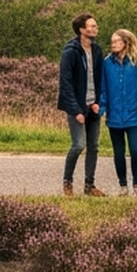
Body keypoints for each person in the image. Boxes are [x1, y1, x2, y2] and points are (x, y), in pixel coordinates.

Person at [101, 27, 137, 197]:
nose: (113, 44)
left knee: (135, 150)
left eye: (116, 41)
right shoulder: (106, 63)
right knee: (118, 152)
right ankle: (123, 186)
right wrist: (101, 110)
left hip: (135, 115)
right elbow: (103, 90)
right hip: (114, 116)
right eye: (112, 41)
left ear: (125, 43)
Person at [57, 13, 106, 197]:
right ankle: (67, 183)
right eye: (91, 26)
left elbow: (101, 79)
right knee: (79, 145)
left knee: (93, 146)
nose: (95, 28)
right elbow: (66, 83)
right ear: (81, 30)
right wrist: (76, 109)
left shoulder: (97, 50)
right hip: (77, 106)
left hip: (93, 105)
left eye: (95, 25)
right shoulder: (70, 51)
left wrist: (99, 102)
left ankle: (89, 185)